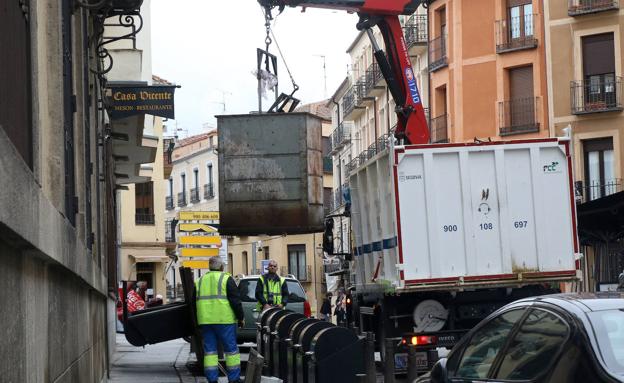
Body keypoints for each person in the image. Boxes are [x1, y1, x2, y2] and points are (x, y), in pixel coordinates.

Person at [196, 256, 245, 383]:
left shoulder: (200, 281)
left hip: (205, 321)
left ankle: (212, 379)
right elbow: (235, 301)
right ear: (222, 267)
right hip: (225, 320)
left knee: (210, 352)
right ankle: (233, 379)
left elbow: (192, 302)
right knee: (231, 350)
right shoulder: (226, 279)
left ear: (209, 266)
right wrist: (241, 318)